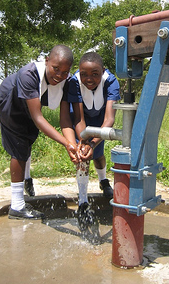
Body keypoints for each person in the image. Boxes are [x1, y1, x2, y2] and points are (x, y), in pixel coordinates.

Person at [0, 44, 78, 220]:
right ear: (46, 61)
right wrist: (66, 143)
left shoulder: (68, 81)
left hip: (33, 102)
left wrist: (72, 145)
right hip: (10, 101)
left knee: (28, 139)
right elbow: (38, 118)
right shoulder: (28, 74)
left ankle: (26, 179)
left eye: (65, 72)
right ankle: (17, 206)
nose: (59, 75)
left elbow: (65, 120)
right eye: (55, 68)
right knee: (19, 145)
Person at [63, 52, 120, 230]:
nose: (89, 78)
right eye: (84, 74)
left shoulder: (111, 81)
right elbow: (79, 119)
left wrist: (94, 142)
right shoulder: (73, 83)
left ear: (102, 71)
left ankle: (103, 182)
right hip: (82, 122)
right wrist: (84, 141)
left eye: (95, 74)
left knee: (98, 154)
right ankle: (82, 203)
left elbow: (109, 119)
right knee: (83, 157)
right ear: (78, 72)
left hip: (101, 121)